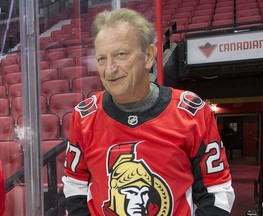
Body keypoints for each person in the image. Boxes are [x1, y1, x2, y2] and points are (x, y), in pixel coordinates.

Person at [62, 8, 235, 216]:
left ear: (149, 56)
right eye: (101, 59)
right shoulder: (84, 116)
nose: (109, 69)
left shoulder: (191, 111)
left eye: (121, 55)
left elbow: (216, 190)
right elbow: (75, 184)